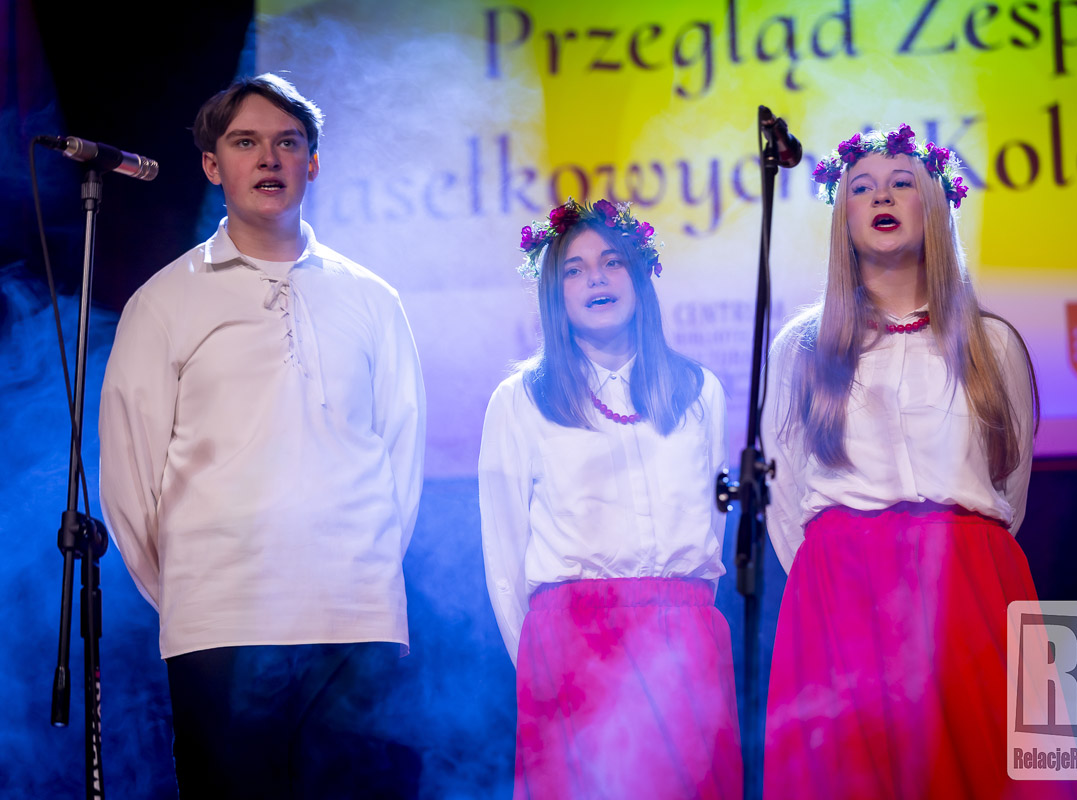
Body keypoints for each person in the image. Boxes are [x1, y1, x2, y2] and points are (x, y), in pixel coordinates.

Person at [98, 73, 425, 798]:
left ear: (314, 162)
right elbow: (128, 480)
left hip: (355, 617)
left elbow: (402, 459)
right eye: (245, 142)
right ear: (212, 165)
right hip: (221, 621)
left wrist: (362, 571)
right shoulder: (165, 301)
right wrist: (194, 594)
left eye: (288, 142)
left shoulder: (371, 298)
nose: (269, 158)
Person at [761, 125, 1077, 799]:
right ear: (843, 216)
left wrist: (954, 556)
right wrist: (843, 573)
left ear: (934, 204)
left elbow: (1007, 488)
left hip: (968, 588)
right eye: (862, 187)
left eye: (901, 183)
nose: (882, 196)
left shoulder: (990, 344)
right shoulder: (803, 349)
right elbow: (786, 495)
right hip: (844, 596)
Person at [479, 198, 742, 799]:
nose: (596, 278)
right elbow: (504, 554)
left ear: (639, 276)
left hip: (683, 638)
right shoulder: (520, 400)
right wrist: (543, 664)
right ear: (554, 294)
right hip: (571, 646)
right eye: (574, 270)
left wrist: (680, 623)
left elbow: (713, 530)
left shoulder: (698, 390)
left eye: (612, 262)